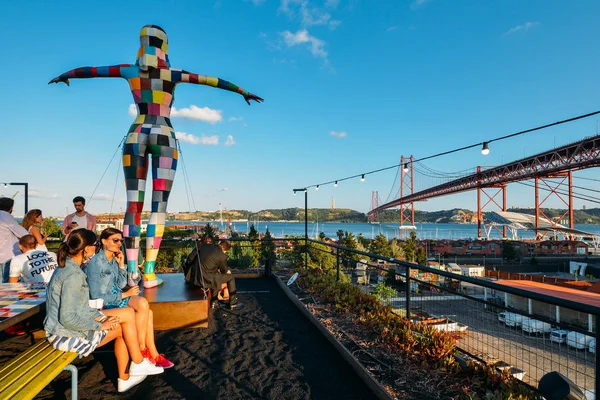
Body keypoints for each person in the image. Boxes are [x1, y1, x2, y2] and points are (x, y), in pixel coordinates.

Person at [49, 24, 263, 289]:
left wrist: (65, 74)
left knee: (133, 205)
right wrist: (243, 92)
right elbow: (213, 81)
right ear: (165, 46)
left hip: (136, 133)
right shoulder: (173, 73)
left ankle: (130, 273)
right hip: (163, 133)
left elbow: (92, 71)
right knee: (158, 206)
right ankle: (148, 272)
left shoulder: (128, 69)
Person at [44, 229, 164, 393]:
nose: (97, 247)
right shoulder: (73, 275)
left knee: (127, 316)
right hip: (64, 334)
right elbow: (67, 318)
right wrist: (100, 325)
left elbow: (81, 307)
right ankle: (132, 368)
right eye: (96, 244)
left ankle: (135, 365)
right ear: (85, 249)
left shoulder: (69, 267)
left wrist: (100, 318)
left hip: (70, 324)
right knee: (123, 325)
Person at [85, 228, 173, 368]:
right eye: (115, 240)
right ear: (103, 241)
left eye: (121, 240)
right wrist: (126, 294)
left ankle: (152, 354)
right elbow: (96, 297)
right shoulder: (95, 264)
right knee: (143, 305)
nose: (119, 243)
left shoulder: (113, 260)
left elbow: (120, 284)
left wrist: (121, 265)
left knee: (147, 311)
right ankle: (142, 349)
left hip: (116, 296)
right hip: (105, 304)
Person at [184, 240, 239, 309]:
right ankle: (233, 304)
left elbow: (190, 258)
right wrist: (228, 271)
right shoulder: (222, 256)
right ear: (226, 250)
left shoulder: (203, 246)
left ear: (219, 243)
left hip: (195, 278)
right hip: (207, 280)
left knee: (216, 275)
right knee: (230, 278)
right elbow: (224, 271)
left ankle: (214, 303)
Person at [0, 197, 29, 282]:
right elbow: (24, 234)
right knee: (7, 285)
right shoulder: (6, 216)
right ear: (11, 207)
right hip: (7, 255)